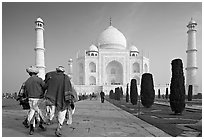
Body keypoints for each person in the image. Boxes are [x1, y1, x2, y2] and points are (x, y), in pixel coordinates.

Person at [44, 65, 76, 137]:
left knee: (53, 112)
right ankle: (59, 128)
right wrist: (70, 100)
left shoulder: (52, 77)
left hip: (52, 98)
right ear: (63, 71)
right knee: (62, 113)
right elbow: (69, 89)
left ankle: (49, 121)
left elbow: (46, 86)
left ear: (57, 71)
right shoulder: (66, 78)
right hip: (63, 99)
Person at [24, 66, 46, 135]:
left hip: (30, 98)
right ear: (36, 73)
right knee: (38, 111)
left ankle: (31, 128)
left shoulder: (27, 81)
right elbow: (45, 87)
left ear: (30, 73)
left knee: (32, 111)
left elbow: (25, 91)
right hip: (39, 98)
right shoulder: (39, 80)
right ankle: (30, 121)